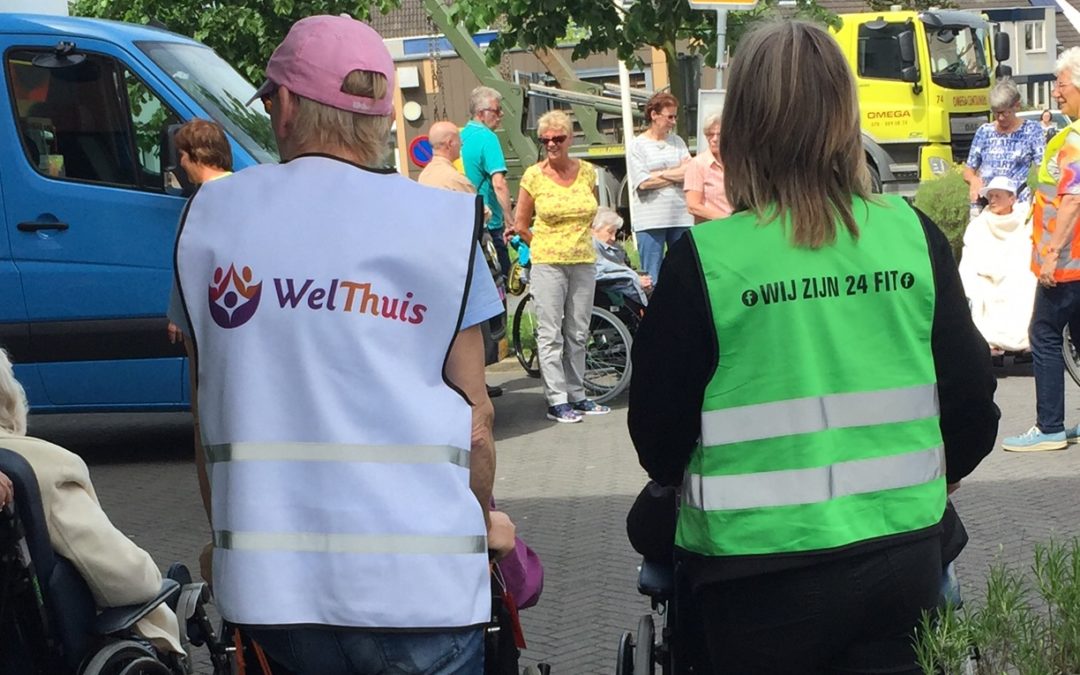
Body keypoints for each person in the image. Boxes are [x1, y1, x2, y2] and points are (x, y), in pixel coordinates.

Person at [628, 21, 998, 674]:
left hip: (754, 583)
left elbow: (658, 440)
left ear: (742, 125)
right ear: (843, 118)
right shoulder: (910, 236)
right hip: (901, 563)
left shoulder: (708, 262)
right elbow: (972, 406)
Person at [173, 15, 504, 674]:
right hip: (423, 593)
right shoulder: (441, 225)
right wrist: (486, 522)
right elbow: (477, 421)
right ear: (382, 115)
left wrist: (223, 546)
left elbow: (207, 410)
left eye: (268, 100)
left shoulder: (209, 222)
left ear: (289, 104)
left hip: (272, 598)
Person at [0, 349, 184, 658]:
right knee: (158, 587)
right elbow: (127, 579)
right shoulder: (42, 467)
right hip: (54, 648)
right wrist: (154, 579)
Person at [1002, 48, 1080, 453]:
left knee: (1045, 335)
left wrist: (1050, 254)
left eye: (1061, 84)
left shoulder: (1077, 141)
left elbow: (1071, 200)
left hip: (1067, 263)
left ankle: (1049, 426)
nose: (1055, 92)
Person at [509, 109, 608, 423]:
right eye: (546, 139)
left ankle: (577, 394)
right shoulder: (533, 175)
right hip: (549, 262)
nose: (551, 144)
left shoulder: (588, 172)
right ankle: (556, 399)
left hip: (583, 260)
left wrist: (586, 236)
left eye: (558, 138)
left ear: (570, 138)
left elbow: (592, 211)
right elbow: (521, 223)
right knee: (550, 333)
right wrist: (541, 245)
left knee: (578, 331)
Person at [419, 120, 504, 399]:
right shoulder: (454, 178)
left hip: (435, 260)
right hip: (462, 259)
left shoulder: (425, 176)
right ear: (450, 143)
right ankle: (474, 388)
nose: (462, 146)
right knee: (472, 329)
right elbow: (481, 214)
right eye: (459, 141)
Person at [167, 119, 234, 345]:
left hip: (210, 311)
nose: (182, 164)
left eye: (182, 156)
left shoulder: (200, 202)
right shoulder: (247, 189)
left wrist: (178, 315)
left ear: (197, 155)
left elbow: (187, 261)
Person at [958, 176, 1035, 354]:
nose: (992, 200)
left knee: (1027, 286)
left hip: (1017, 273)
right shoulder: (978, 225)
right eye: (990, 196)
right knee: (980, 290)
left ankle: (1026, 341)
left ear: (1012, 199)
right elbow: (970, 258)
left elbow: (1026, 252)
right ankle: (989, 342)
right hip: (986, 276)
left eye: (997, 196)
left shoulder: (1024, 222)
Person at [628, 92, 694, 284]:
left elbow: (689, 172)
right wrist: (675, 173)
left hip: (680, 217)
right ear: (654, 115)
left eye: (675, 117)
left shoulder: (678, 142)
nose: (673, 122)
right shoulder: (637, 146)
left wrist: (660, 173)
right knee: (652, 277)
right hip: (650, 222)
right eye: (669, 117)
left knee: (684, 274)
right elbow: (643, 183)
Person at [964, 79, 1045, 207]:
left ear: (1016, 106)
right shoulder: (984, 131)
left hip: (1017, 203)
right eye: (996, 113)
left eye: (1005, 112)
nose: (1001, 118)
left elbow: (1042, 169)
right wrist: (974, 180)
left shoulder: (1032, 130)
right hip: (986, 203)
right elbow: (968, 170)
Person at [461, 86, 514, 278]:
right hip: (490, 223)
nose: (501, 115)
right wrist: (510, 219)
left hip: (466, 221)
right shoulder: (488, 138)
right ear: (481, 113)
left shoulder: (460, 137)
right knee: (501, 281)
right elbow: (499, 183)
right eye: (497, 110)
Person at [591, 207, 650, 307]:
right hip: (610, 293)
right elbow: (599, 272)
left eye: (615, 232)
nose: (613, 238)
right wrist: (634, 278)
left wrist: (638, 278)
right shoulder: (592, 246)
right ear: (594, 230)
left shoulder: (615, 248)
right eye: (610, 232)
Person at [683, 112, 732, 224]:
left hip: (737, 228)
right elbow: (693, 206)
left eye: (719, 134)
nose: (714, 139)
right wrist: (726, 219)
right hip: (711, 230)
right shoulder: (697, 164)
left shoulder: (736, 164)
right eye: (710, 134)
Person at [174, 118, 233, 185]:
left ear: (198, 156)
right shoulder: (244, 184)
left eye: (182, 155)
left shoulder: (209, 194)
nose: (181, 162)